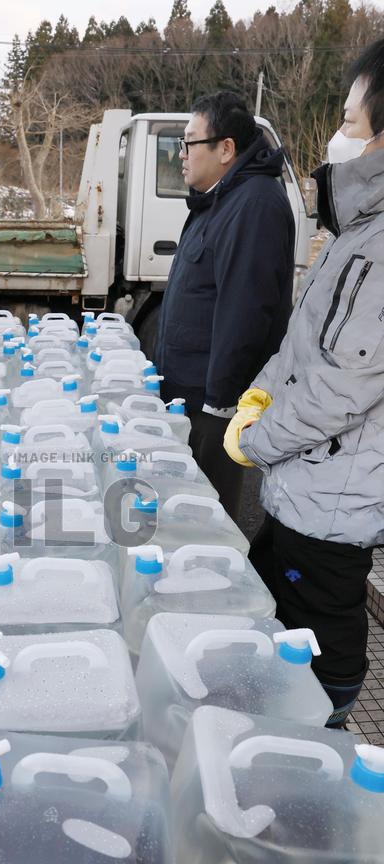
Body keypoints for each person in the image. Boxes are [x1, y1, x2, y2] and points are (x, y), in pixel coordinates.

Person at [224, 37, 384, 727]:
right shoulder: (357, 231)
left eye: (350, 121)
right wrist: (260, 393)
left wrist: (259, 440)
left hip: (332, 500)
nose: (338, 135)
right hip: (307, 488)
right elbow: (303, 345)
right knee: (279, 611)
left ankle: (325, 744)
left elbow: (345, 386)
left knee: (320, 636)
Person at [154, 91, 295, 520]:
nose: (181, 154)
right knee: (186, 510)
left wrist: (220, 405)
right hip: (190, 394)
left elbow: (245, 313)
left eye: (189, 142)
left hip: (213, 405)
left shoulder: (253, 204)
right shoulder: (220, 199)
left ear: (225, 148)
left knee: (206, 519)